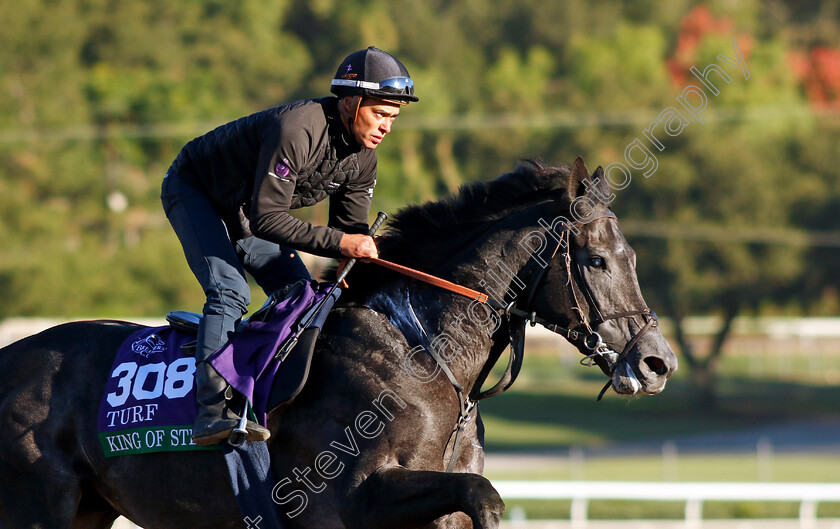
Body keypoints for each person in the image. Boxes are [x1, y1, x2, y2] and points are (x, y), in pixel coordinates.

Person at [160, 46, 418, 445]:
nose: (386, 127)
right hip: (198, 191)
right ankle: (212, 410)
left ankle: (271, 394)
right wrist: (345, 242)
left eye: (393, 118)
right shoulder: (297, 129)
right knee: (230, 292)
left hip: (247, 206)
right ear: (351, 102)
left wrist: (369, 248)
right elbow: (268, 220)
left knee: (304, 297)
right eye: (380, 114)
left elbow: (348, 230)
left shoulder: (364, 158)